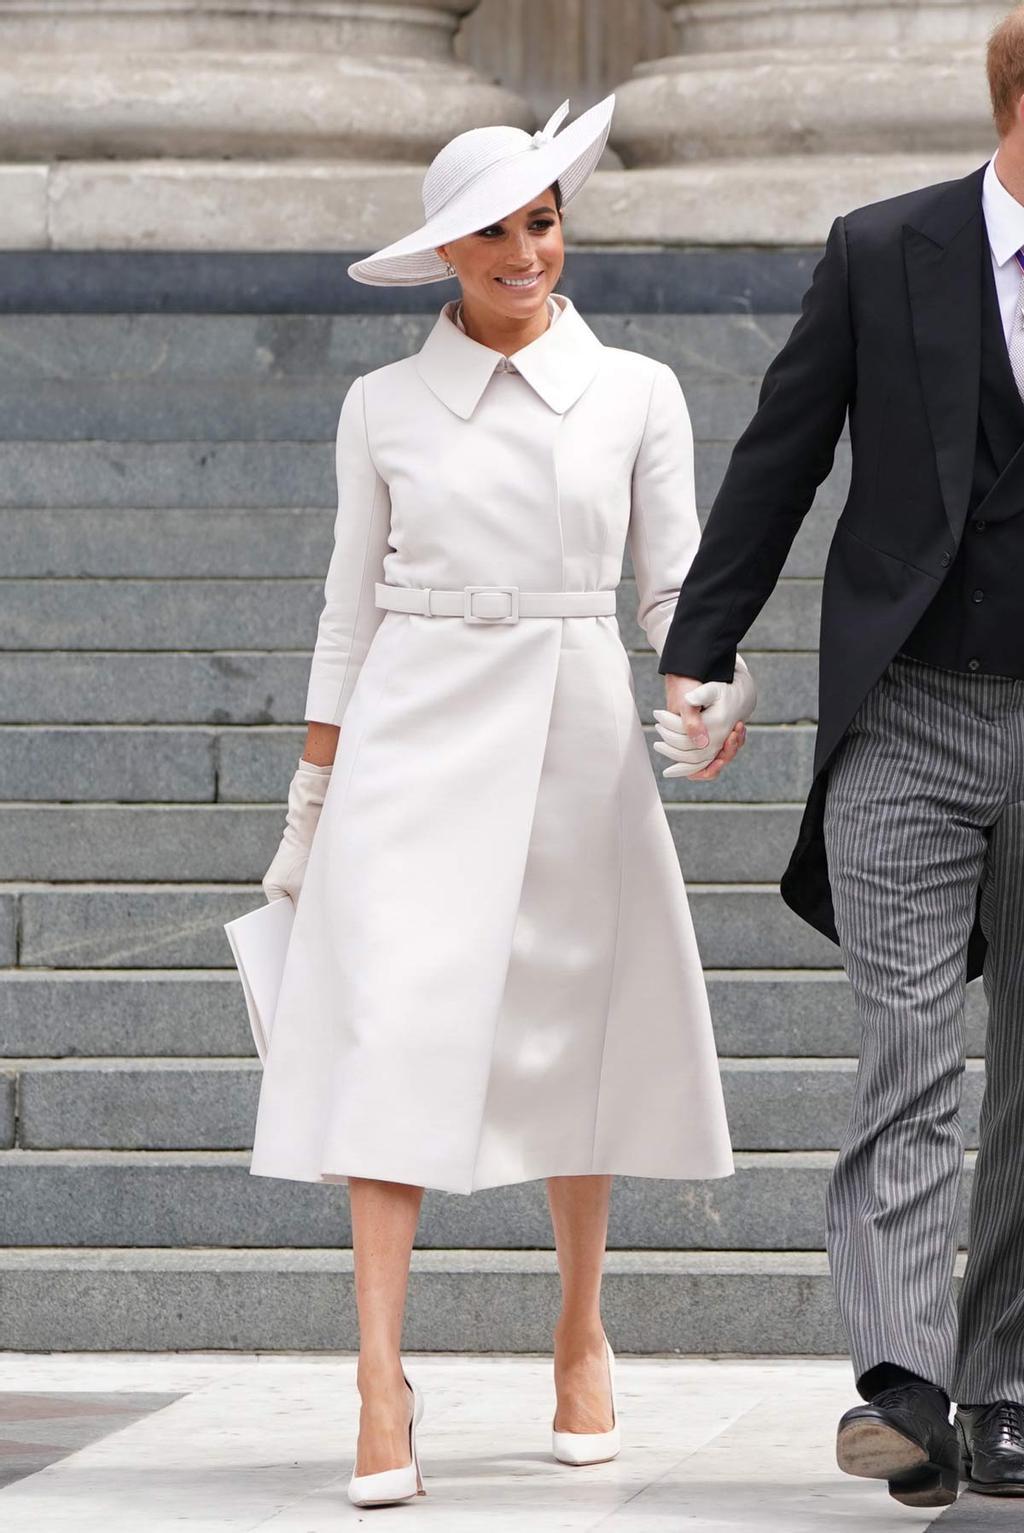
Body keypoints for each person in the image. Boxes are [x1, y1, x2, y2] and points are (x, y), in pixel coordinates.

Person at [247, 96, 754, 1509]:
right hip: (410, 721)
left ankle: (581, 1327)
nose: (528, 250)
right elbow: (345, 614)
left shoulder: (642, 389)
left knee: (571, 1032)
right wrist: (308, 803)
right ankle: (376, 1370)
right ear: (447, 253)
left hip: (576, 721)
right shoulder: (381, 407)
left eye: (544, 220)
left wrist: (708, 684)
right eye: (496, 230)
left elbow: (673, 585)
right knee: (389, 1035)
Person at [653, 5, 1024, 1513]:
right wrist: (702, 637)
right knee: (909, 1050)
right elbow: (782, 452)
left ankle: (1003, 1391)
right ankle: (902, 1379)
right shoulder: (884, 251)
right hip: (913, 712)